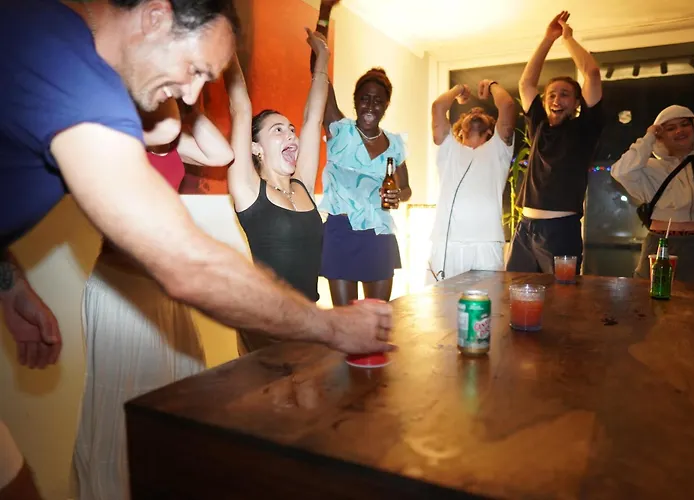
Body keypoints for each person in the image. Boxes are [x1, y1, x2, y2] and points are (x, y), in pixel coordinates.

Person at [0, 0, 392, 495]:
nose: (191, 95)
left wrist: (10, 284)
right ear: (155, 17)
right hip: (179, 314)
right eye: (194, 69)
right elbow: (186, 264)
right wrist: (333, 327)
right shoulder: (66, 66)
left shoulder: (71, 69)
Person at [72, 97, 233, 499]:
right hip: (120, 295)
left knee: (174, 399)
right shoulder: (117, 140)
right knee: (120, 411)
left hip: (164, 294)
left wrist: (191, 106)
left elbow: (222, 154)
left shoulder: (172, 144)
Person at [229, 30, 329, 353]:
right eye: (278, 130)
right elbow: (241, 107)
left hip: (309, 324)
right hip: (265, 330)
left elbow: (313, 118)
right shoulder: (248, 190)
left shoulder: (302, 185)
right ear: (256, 148)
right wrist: (227, 47)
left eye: (290, 130)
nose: (291, 135)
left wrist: (323, 56)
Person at [313, 0, 412, 305]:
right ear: (355, 100)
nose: (371, 105)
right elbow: (318, 73)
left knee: (377, 317)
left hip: (379, 234)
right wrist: (324, 13)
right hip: (340, 232)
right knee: (346, 321)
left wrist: (398, 196)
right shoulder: (339, 130)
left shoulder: (395, 144)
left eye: (378, 101)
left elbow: (406, 189)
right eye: (365, 98)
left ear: (386, 106)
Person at [506, 11, 604, 275]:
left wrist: (566, 38)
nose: (557, 100)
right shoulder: (538, 126)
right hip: (525, 228)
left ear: (577, 102)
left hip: (561, 230)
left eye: (565, 94)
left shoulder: (585, 128)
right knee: (516, 291)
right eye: (551, 94)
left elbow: (592, 73)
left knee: (563, 296)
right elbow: (526, 83)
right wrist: (548, 38)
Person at [429, 79, 516, 281]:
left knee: (486, 302)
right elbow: (438, 106)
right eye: (469, 113)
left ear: (490, 131)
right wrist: (459, 90)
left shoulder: (499, 150)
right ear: (459, 130)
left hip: (487, 245)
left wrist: (491, 85)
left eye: (481, 113)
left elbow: (507, 105)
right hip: (446, 244)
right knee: (442, 302)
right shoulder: (448, 148)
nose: (475, 112)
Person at [611, 106, 694, 281]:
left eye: (685, 124)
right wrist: (649, 136)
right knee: (649, 295)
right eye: (670, 128)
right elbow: (621, 171)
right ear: (660, 136)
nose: (680, 131)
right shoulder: (650, 167)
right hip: (661, 243)